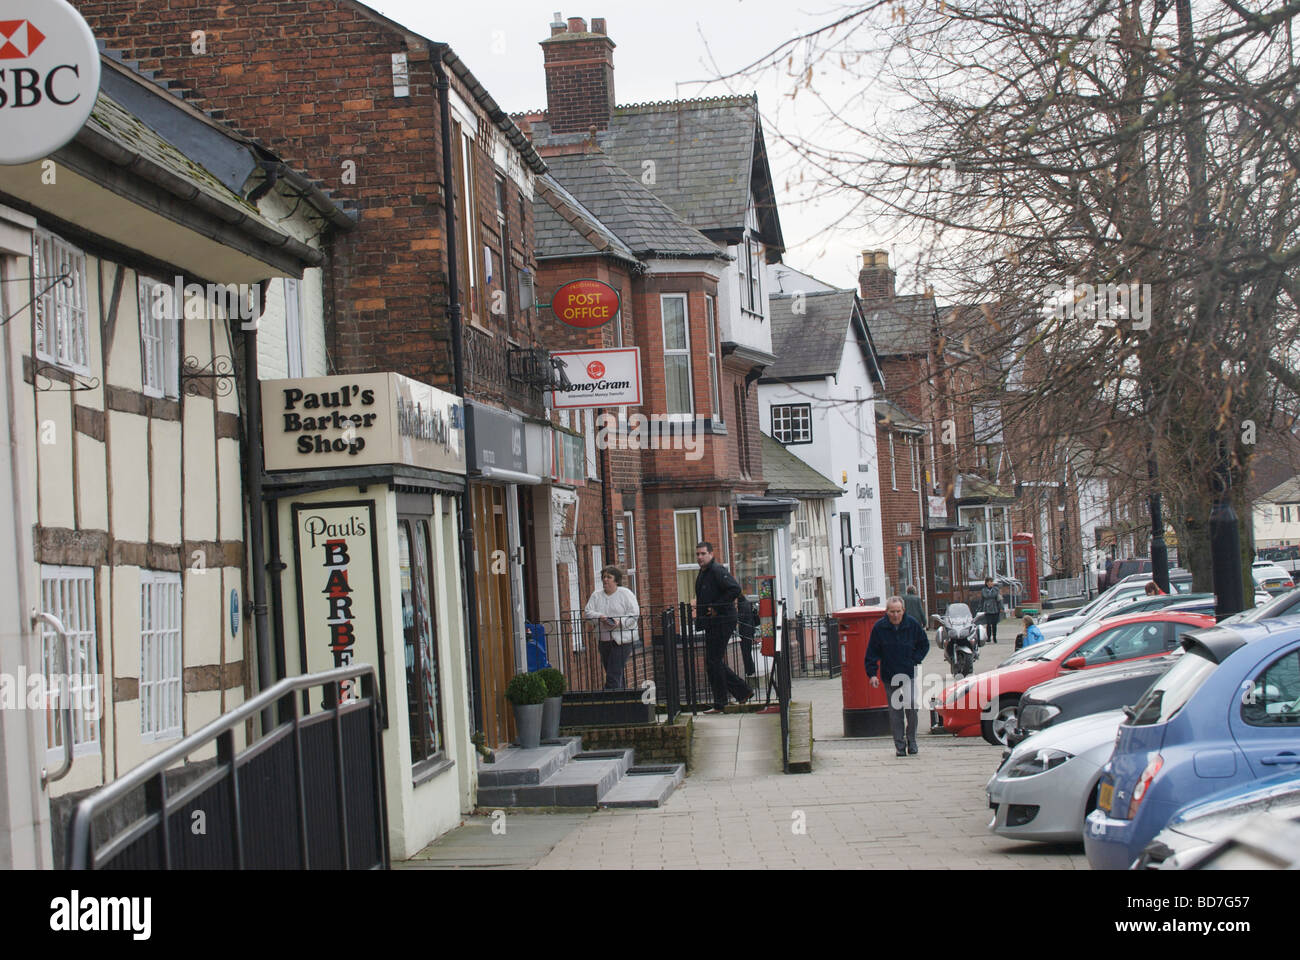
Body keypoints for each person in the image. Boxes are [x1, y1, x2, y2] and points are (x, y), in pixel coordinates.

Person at [864, 596, 930, 756]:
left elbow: (924, 644)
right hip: (889, 674)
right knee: (896, 712)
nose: (895, 615)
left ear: (903, 611)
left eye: (898, 611)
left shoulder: (912, 624)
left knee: (912, 706)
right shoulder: (879, 628)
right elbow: (871, 652)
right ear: (887, 612)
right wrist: (872, 674)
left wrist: (915, 659)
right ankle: (899, 746)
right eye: (892, 612)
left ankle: (912, 740)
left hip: (908, 672)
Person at [694, 541, 753, 714]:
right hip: (712, 622)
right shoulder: (704, 573)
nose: (699, 557)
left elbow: (734, 589)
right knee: (714, 662)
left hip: (723, 620)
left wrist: (716, 607)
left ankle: (723, 702)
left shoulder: (717, 570)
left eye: (703, 554)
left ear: (711, 554)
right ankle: (741, 692)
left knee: (713, 661)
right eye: (697, 554)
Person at [583, 565, 640, 690]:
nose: (605, 580)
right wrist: (601, 617)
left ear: (616, 580)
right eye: (604, 577)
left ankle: (610, 702)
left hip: (622, 641)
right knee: (615, 673)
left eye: (609, 577)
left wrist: (619, 621)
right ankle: (623, 703)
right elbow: (587, 612)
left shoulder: (625, 594)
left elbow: (634, 613)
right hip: (604, 640)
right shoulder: (596, 595)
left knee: (612, 676)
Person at [736, 594, 758, 680]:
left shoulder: (743, 605)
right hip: (749, 631)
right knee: (747, 651)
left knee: (745, 652)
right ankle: (750, 669)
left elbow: (741, 617)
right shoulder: (747, 603)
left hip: (745, 632)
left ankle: (749, 669)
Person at [978, 576, 1003, 644]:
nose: (990, 583)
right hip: (987, 608)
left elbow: (999, 599)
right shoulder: (983, 590)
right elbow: (982, 600)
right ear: (986, 583)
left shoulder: (996, 590)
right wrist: (980, 608)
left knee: (994, 624)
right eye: (988, 582)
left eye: (991, 582)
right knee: (988, 624)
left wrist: (1001, 608)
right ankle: (988, 637)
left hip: (995, 607)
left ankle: (994, 637)